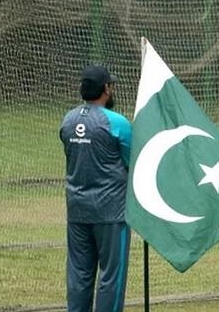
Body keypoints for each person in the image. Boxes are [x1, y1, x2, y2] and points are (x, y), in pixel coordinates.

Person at [59, 64, 132, 312]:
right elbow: (133, 161)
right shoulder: (117, 123)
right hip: (110, 213)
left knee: (79, 275)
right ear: (106, 89)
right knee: (112, 276)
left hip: (77, 209)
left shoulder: (67, 120)